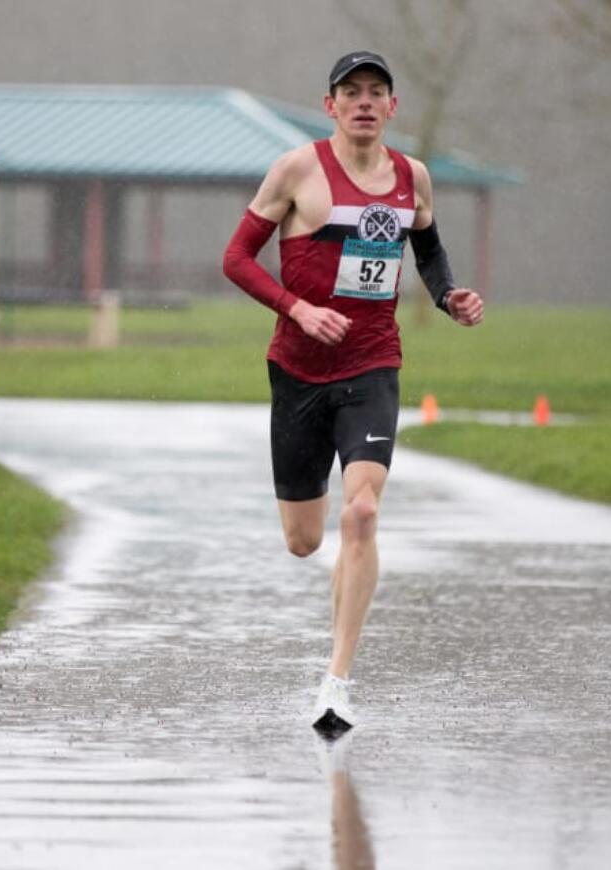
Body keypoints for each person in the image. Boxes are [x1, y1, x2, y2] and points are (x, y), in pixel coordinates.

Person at [222, 50, 484, 733]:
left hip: (372, 367)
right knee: (306, 541)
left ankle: (337, 682)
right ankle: (340, 609)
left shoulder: (412, 177)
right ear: (330, 105)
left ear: (392, 108)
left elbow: (425, 246)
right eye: (351, 92)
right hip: (298, 371)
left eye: (377, 92)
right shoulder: (296, 170)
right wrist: (296, 309)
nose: (364, 102)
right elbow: (236, 258)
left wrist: (449, 295)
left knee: (362, 515)